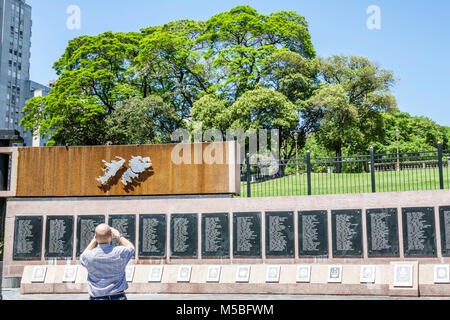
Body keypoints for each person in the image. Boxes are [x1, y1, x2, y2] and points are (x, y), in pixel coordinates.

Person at [80, 223, 135, 300]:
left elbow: (83, 255)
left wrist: (94, 240)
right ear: (111, 236)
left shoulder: (89, 256)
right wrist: (119, 235)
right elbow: (131, 248)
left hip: (97, 297)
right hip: (118, 296)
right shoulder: (119, 252)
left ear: (95, 237)